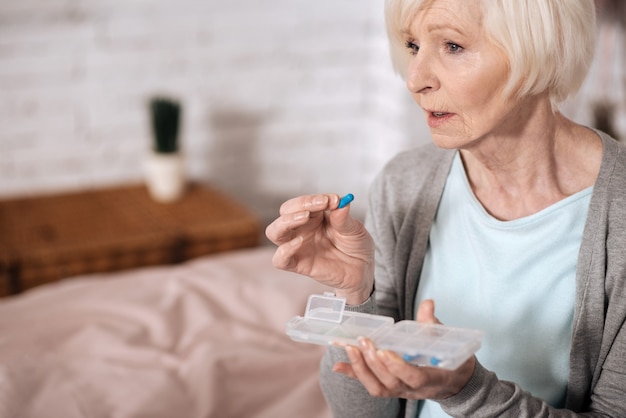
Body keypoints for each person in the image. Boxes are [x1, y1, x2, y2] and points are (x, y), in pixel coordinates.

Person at [265, 0, 626, 416]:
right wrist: (355, 296)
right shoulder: (405, 184)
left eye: (452, 46)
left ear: (543, 46)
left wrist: (466, 390)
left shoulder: (616, 214)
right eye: (413, 45)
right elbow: (363, 412)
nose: (415, 79)